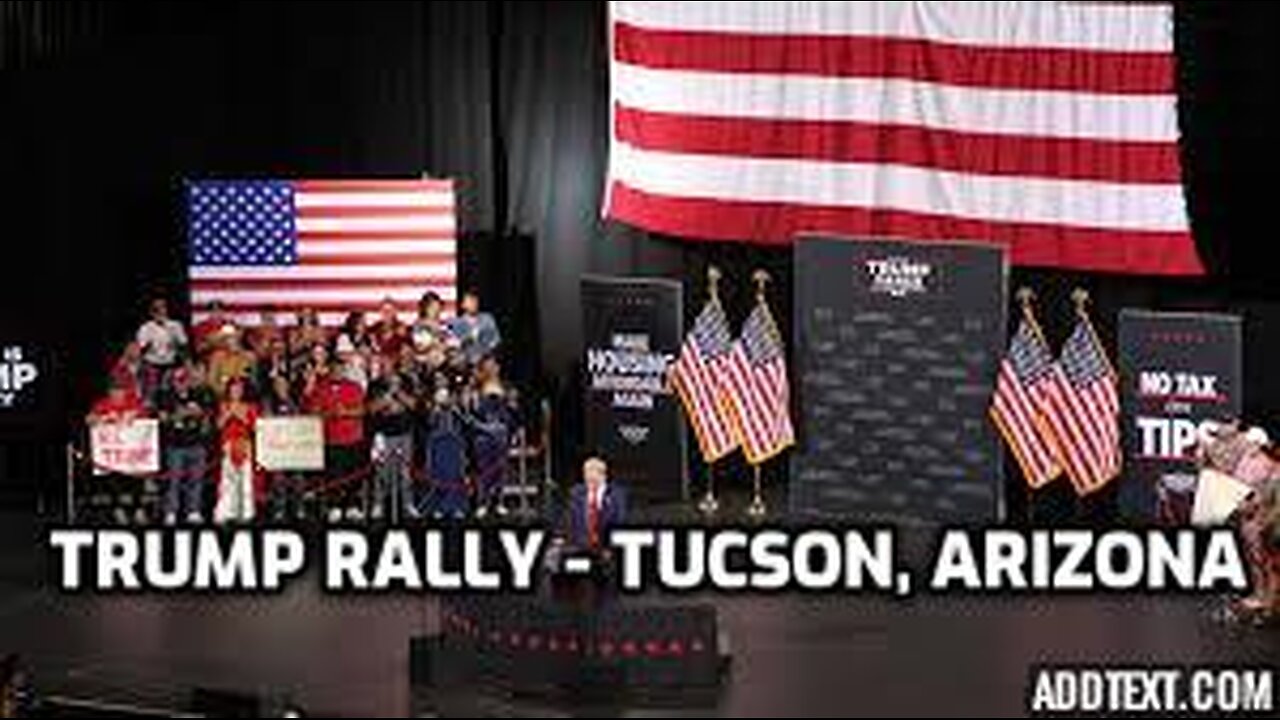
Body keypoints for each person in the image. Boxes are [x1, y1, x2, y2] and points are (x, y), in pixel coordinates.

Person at [304, 346, 367, 522]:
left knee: (353, 474)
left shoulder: (354, 387)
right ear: (330, 370)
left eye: (341, 369)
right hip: (331, 439)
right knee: (333, 475)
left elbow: (362, 410)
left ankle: (353, 505)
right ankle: (335, 506)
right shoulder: (321, 388)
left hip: (353, 438)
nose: (338, 372)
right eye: (335, 369)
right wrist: (329, 414)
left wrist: (345, 412)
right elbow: (313, 411)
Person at [87, 370, 149, 525]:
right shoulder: (103, 403)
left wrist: (134, 415)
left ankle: (139, 509)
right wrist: (103, 418)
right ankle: (118, 509)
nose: (117, 393)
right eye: (114, 390)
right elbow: (89, 419)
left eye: (120, 389)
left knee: (137, 479)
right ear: (109, 391)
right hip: (113, 454)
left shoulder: (133, 402)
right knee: (114, 480)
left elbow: (147, 417)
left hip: (132, 453)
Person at [155, 364, 215, 524]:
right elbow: (162, 418)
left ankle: (193, 510)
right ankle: (171, 512)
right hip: (175, 445)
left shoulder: (199, 394)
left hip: (196, 443)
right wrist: (178, 414)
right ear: (172, 381)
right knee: (173, 481)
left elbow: (207, 414)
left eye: (185, 379)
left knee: (196, 480)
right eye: (178, 379)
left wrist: (200, 413)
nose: (182, 382)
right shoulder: (165, 396)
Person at [367, 354, 417, 521]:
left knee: (405, 472)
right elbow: (371, 409)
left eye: (386, 364)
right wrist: (387, 397)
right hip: (382, 434)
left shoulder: (407, 381)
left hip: (404, 432)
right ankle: (378, 504)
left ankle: (407, 503)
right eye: (381, 365)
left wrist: (399, 393)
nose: (384, 367)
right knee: (381, 471)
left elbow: (413, 405)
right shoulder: (375, 384)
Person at [214, 376, 259, 523]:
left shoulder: (250, 406)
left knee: (245, 479)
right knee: (228, 480)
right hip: (227, 445)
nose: (236, 392)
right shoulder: (223, 405)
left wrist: (241, 415)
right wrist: (228, 414)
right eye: (233, 389)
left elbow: (254, 427)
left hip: (244, 445)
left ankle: (246, 512)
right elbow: (218, 426)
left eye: (239, 389)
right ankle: (227, 512)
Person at [564, 456, 626, 553]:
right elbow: (571, 521)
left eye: (593, 472)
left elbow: (620, 521)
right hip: (580, 548)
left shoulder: (616, 494)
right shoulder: (576, 492)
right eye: (586, 472)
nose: (588, 476)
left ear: (603, 475)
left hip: (607, 548)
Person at [135, 296, 188, 406]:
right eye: (157, 309)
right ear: (152, 312)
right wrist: (151, 341)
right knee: (151, 392)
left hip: (170, 363)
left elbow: (183, 345)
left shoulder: (175, 325)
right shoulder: (146, 328)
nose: (160, 312)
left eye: (163, 308)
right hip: (152, 364)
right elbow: (141, 348)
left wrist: (173, 339)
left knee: (170, 391)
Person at [447, 290, 501, 365]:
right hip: (465, 360)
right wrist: (466, 340)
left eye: (475, 301)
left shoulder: (487, 319)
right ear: (463, 304)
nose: (474, 304)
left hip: (485, 360)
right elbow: (454, 344)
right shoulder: (456, 323)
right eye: (470, 301)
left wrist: (485, 354)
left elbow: (495, 341)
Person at [207, 328, 257, 400]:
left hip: (246, 395)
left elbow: (254, 378)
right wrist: (223, 392)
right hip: (224, 395)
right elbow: (212, 380)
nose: (232, 341)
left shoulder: (250, 356)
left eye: (234, 337)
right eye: (228, 338)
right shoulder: (218, 356)